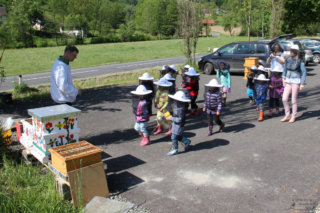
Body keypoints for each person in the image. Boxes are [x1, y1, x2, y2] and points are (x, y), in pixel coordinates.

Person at [281, 45, 307, 123]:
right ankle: (287, 115)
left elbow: (304, 72)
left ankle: (293, 116)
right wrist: (283, 78)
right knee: (284, 99)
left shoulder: (300, 61)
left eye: (292, 51)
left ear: (296, 52)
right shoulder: (288, 59)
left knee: (293, 100)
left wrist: (302, 83)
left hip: (296, 81)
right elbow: (285, 69)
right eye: (290, 50)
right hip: (288, 81)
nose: (291, 52)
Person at [166, 91, 191, 156]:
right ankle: (186, 141)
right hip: (175, 125)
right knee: (177, 136)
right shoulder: (177, 107)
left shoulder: (181, 110)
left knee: (173, 137)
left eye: (176, 100)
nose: (174, 101)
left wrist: (171, 118)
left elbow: (179, 119)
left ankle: (175, 150)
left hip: (179, 126)